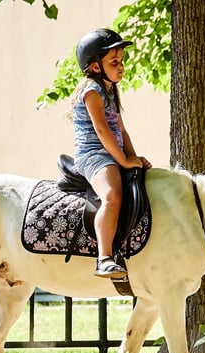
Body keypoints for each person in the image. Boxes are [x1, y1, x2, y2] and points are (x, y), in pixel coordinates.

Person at [68, 28, 152, 278]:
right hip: (94, 154)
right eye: (114, 62)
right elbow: (103, 132)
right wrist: (123, 160)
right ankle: (103, 257)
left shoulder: (111, 90)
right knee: (113, 195)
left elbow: (121, 131)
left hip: (110, 151)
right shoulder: (92, 92)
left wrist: (134, 159)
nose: (121, 66)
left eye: (122, 61)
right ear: (95, 67)